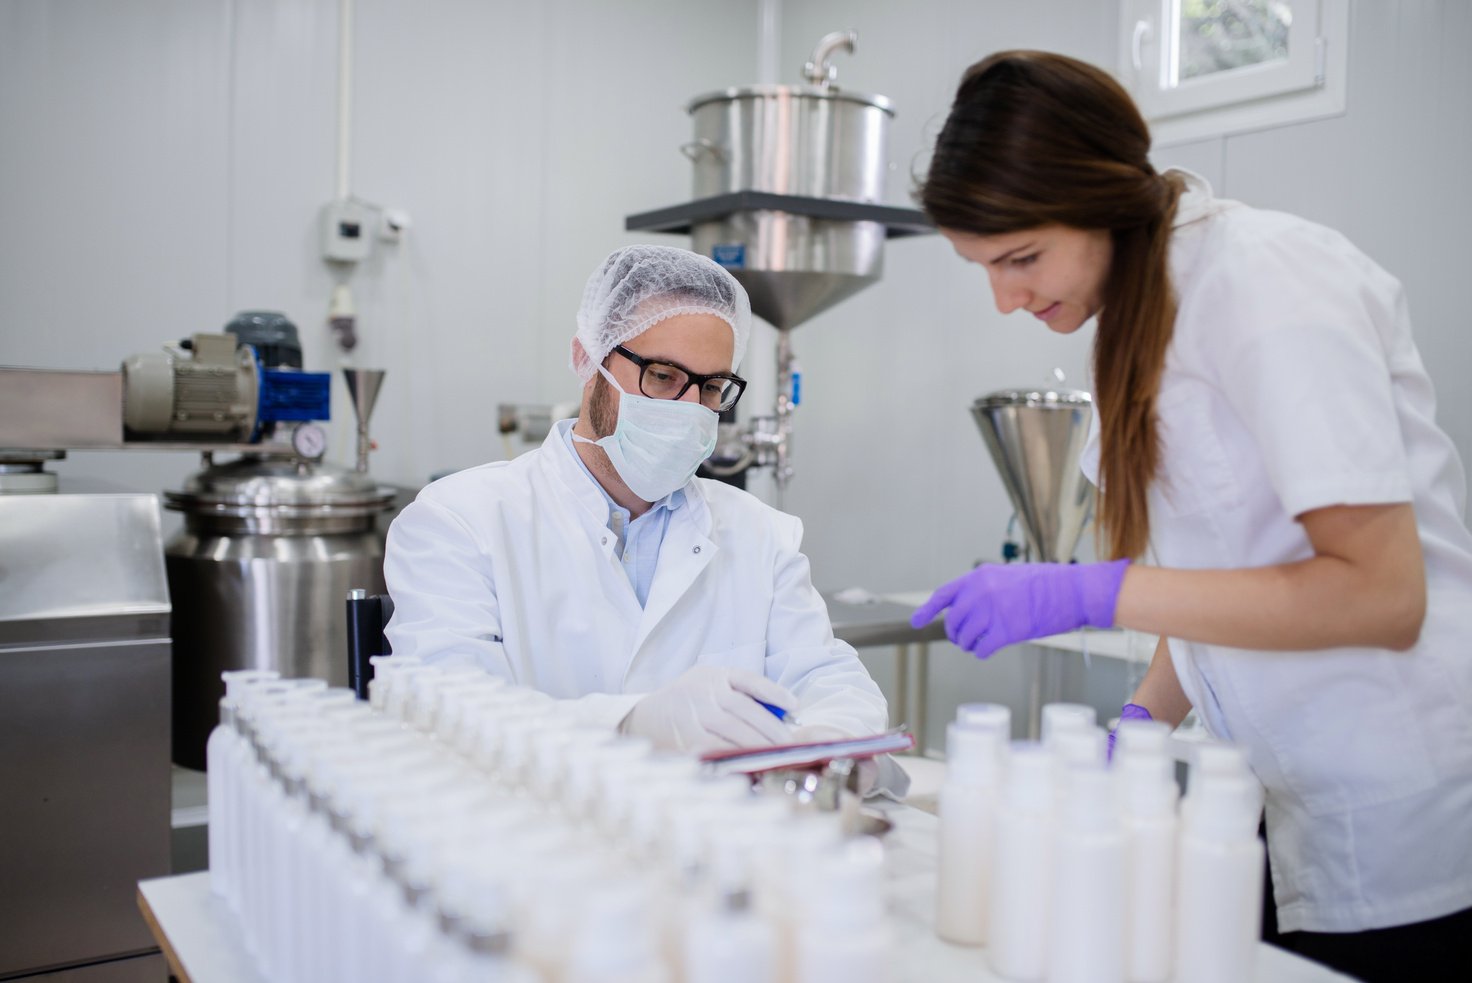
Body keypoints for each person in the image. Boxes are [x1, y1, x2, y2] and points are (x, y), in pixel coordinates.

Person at [910, 50, 1472, 980]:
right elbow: (1215, 575)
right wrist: (1141, 718)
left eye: (1020, 258)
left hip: (1398, 811)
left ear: (1100, 201)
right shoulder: (1132, 319)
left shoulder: (1268, 283)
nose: (1005, 298)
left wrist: (1098, 593)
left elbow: (1381, 595)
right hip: (1276, 803)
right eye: (984, 266)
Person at [383, 244, 900, 793]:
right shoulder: (459, 522)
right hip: (530, 842)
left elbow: (826, 676)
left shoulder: (760, 533)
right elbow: (446, 714)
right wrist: (628, 726)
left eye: (712, 387)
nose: (690, 408)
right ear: (589, 360)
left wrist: (830, 744)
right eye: (661, 376)